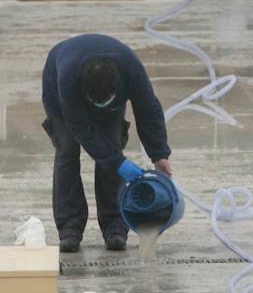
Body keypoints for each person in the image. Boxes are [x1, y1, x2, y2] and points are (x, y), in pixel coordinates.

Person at [41, 33, 172, 253]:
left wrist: (159, 154)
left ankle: (115, 226)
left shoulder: (131, 70)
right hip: (59, 93)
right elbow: (82, 131)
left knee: (111, 146)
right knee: (67, 151)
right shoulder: (67, 81)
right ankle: (70, 227)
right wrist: (120, 163)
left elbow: (148, 109)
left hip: (107, 91)